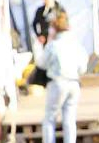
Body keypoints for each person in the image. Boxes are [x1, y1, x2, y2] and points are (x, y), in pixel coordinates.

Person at [34, 11, 88, 143]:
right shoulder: (76, 45)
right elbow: (83, 68)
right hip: (74, 83)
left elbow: (41, 63)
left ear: (55, 29)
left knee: (49, 119)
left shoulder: (53, 45)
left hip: (57, 82)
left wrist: (38, 46)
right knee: (69, 119)